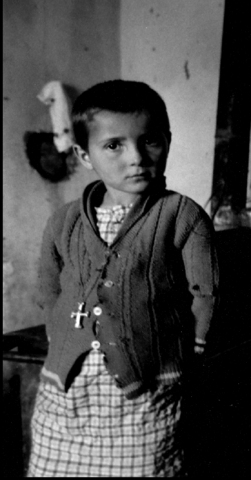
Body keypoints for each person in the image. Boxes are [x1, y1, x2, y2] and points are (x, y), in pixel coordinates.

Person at [28, 79, 219, 477]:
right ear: (84, 154)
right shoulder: (64, 220)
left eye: (149, 141)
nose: (136, 157)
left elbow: (206, 292)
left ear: (167, 141)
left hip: (146, 388)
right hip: (68, 393)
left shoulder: (183, 216)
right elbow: (48, 288)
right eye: (114, 145)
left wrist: (192, 351)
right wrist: (57, 336)